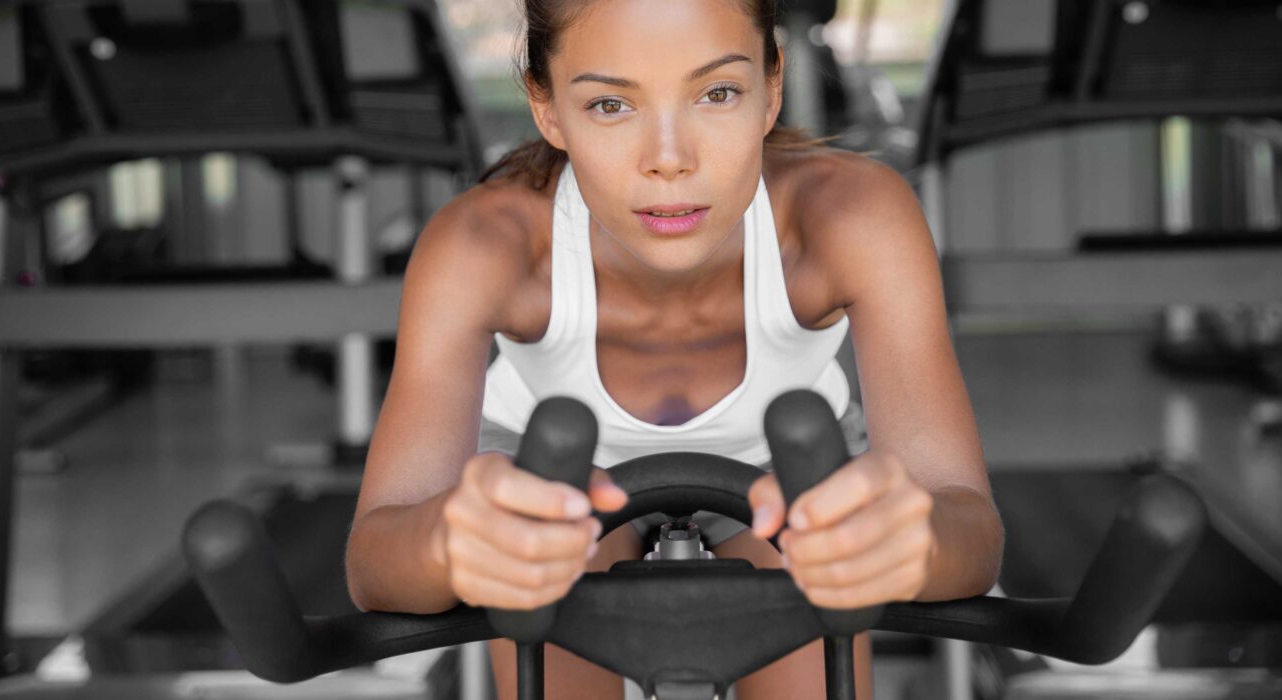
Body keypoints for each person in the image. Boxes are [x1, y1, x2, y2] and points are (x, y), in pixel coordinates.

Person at [345, 0, 1004, 696]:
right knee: (552, 605)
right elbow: (375, 563)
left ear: (770, 88)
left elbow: (968, 527)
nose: (669, 160)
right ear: (547, 110)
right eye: (609, 105)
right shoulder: (480, 245)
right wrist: (452, 542)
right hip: (550, 483)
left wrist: (914, 539)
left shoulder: (857, 217)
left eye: (717, 94)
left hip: (785, 477)